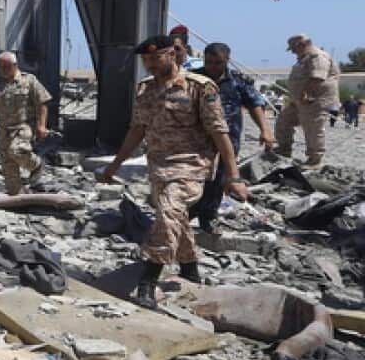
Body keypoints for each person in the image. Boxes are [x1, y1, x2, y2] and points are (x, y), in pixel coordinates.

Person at [101, 35, 248, 309]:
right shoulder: (145, 89)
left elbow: (220, 133)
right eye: (146, 60)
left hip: (192, 164)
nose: (150, 64)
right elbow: (137, 129)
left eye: (156, 58)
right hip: (159, 165)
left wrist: (234, 176)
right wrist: (115, 164)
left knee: (169, 212)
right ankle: (190, 268)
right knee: (175, 217)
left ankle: (148, 279)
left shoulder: (200, 87)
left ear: (172, 54)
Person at [188, 42, 274, 233]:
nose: (213, 67)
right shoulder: (194, 79)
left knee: (219, 177)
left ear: (227, 60)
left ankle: (207, 216)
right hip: (198, 137)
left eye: (218, 62)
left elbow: (254, 105)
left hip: (229, 136)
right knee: (195, 174)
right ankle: (188, 211)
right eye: (209, 62)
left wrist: (265, 130)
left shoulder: (238, 81)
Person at [0, 52, 52, 195]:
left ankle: (36, 164)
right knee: (7, 163)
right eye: (0, 67)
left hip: (24, 126)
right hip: (5, 129)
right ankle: (18, 196)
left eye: (6, 67)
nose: (3, 70)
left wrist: (41, 125)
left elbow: (42, 102)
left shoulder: (29, 81)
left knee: (16, 150)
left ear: (15, 66)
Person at [275, 34, 341, 167]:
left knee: (312, 129)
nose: (293, 52)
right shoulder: (303, 58)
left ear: (302, 45)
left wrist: (305, 92)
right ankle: (284, 149)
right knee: (283, 121)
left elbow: (317, 78)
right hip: (298, 100)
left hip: (315, 100)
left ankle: (314, 159)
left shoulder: (317, 56)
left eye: (293, 48)